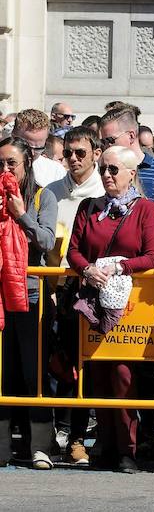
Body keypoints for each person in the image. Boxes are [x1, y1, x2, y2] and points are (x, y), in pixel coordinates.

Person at [66, 146, 154, 473]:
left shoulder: (145, 208)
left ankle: (127, 449)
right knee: (98, 375)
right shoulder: (89, 207)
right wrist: (88, 270)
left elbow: (152, 257)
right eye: (104, 169)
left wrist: (119, 266)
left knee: (123, 375)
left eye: (114, 170)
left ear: (132, 173)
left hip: (131, 306)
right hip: (94, 302)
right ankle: (105, 446)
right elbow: (74, 252)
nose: (107, 175)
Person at [45, 126, 106, 466]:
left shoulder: (105, 188)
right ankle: (60, 432)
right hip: (58, 288)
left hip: (93, 289)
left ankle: (79, 437)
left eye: (81, 152)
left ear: (96, 152)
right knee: (61, 366)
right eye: (68, 152)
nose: (73, 159)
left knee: (89, 367)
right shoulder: (51, 191)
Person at [0, 136, 59, 469]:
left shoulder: (42, 196)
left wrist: (21, 215)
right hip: (0, 297)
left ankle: (40, 446)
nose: (6, 169)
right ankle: (2, 446)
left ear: (27, 165)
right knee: (1, 374)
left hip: (31, 296)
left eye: (12, 163)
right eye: (1, 163)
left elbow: (47, 240)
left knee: (33, 373)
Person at [98, 105, 154, 202]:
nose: (107, 146)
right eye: (103, 142)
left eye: (110, 140)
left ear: (131, 136)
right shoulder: (103, 171)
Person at [11, 109, 67, 187]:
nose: (32, 154)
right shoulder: (3, 167)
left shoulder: (56, 171)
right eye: (27, 147)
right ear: (13, 136)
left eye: (38, 149)